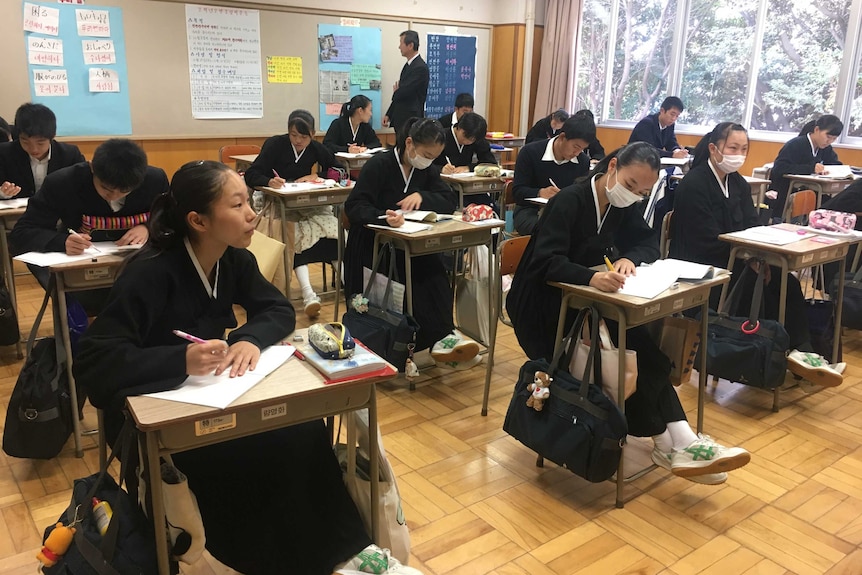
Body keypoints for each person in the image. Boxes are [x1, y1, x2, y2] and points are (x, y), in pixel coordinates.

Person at [72, 160, 420, 575]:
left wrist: (248, 339)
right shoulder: (150, 272)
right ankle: (269, 558)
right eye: (237, 205)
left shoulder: (232, 258)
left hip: (217, 391)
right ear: (199, 220)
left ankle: (347, 550)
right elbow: (94, 360)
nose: (253, 214)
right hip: (163, 408)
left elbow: (276, 308)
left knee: (301, 426)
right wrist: (179, 358)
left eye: (249, 201)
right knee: (247, 451)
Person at [508, 141, 751, 485]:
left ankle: (676, 442)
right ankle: (674, 443)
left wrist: (629, 259)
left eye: (643, 190)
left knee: (645, 356)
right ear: (612, 168)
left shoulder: (622, 204)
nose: (634, 194)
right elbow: (547, 263)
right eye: (630, 184)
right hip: (543, 309)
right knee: (627, 360)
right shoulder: (569, 201)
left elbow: (649, 242)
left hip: (591, 304)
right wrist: (590, 276)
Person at [670, 122, 845, 386]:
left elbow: (752, 225)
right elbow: (704, 240)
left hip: (737, 258)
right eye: (732, 148)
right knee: (763, 285)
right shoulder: (694, 184)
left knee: (787, 281)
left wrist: (757, 256)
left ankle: (801, 352)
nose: (738, 154)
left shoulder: (736, 183)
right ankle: (773, 354)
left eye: (743, 149)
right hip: (703, 264)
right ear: (713, 148)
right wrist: (748, 258)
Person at [344, 117, 479, 365]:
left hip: (409, 241)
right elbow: (354, 207)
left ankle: (441, 337)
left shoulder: (424, 169)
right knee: (415, 277)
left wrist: (422, 195)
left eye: (433, 158)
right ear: (409, 143)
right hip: (374, 243)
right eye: (426, 154)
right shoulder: (379, 165)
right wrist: (385, 217)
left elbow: (448, 200)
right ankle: (429, 340)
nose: (428, 161)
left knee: (436, 271)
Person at [10, 138, 168, 313]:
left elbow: (171, 219)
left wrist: (148, 226)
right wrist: (62, 242)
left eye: (124, 191)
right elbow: (22, 233)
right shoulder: (62, 183)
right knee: (85, 305)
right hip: (82, 270)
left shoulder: (154, 180)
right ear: (92, 167)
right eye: (106, 188)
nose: (114, 196)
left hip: (138, 267)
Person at [244, 110, 339, 318]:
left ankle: (346, 283)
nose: (298, 140)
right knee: (292, 232)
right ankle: (307, 292)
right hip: (276, 201)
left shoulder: (315, 148)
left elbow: (338, 170)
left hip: (305, 201)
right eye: (294, 135)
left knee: (333, 227)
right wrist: (269, 181)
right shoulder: (275, 144)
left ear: (312, 134)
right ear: (288, 132)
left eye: (304, 137)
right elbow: (251, 175)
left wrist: (316, 175)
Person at [512, 114, 595, 235]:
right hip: (530, 210)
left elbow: (582, 196)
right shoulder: (530, 152)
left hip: (565, 213)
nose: (577, 153)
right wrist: (540, 192)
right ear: (562, 137)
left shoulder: (582, 161)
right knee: (549, 231)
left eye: (582, 149)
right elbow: (517, 192)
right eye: (575, 147)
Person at [0, 103, 85, 199]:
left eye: (40, 143)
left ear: (52, 136)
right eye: (25, 141)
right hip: (15, 213)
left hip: (58, 212)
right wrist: (3, 193)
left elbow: (84, 186)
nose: (33, 149)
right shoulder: (4, 153)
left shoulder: (69, 154)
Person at [768, 114, 844, 215]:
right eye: (828, 136)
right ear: (817, 130)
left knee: (832, 204)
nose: (829, 141)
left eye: (833, 139)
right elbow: (779, 168)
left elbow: (835, 164)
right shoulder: (795, 144)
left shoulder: (826, 149)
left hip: (812, 191)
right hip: (787, 193)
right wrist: (811, 168)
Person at [383, 30, 429, 135]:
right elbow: (400, 93)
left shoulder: (420, 67)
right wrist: (389, 114)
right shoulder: (408, 65)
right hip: (402, 119)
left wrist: (397, 91)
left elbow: (404, 92)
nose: (399, 47)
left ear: (410, 45)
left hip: (410, 121)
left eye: (401, 43)